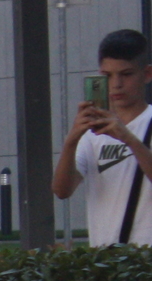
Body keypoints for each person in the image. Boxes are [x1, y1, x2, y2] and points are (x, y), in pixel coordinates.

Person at [53, 28, 152, 245]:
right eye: (107, 76)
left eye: (126, 74)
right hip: (105, 262)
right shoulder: (93, 131)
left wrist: (129, 139)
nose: (116, 84)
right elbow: (62, 190)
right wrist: (72, 140)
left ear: (146, 75)